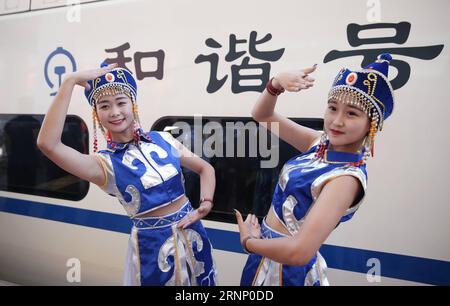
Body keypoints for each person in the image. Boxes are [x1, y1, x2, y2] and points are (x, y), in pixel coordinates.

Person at [37, 62, 217, 286]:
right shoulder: (103, 164)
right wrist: (69, 81)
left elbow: (205, 169)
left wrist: (206, 203)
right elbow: (48, 144)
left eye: (121, 102)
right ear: (96, 114)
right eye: (104, 106)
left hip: (194, 235)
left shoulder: (163, 139)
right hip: (153, 250)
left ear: (133, 103)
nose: (115, 112)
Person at [235, 53, 395, 286]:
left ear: (372, 124)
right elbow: (263, 115)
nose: (336, 121)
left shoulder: (346, 179)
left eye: (352, 113)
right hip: (266, 258)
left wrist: (248, 241)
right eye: (333, 108)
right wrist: (276, 83)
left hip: (289, 273)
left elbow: (299, 251)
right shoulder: (319, 143)